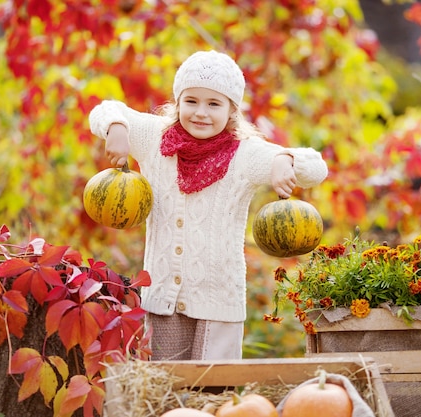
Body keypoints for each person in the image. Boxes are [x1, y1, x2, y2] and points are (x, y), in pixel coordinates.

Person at [88, 50, 328, 361]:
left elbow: (316, 168)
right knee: (164, 392)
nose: (201, 112)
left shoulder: (245, 154)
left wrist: (286, 159)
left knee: (214, 394)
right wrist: (117, 128)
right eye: (191, 101)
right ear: (178, 102)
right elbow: (104, 110)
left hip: (218, 303)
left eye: (214, 103)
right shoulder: (153, 138)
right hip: (162, 300)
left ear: (231, 110)